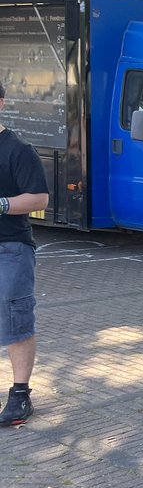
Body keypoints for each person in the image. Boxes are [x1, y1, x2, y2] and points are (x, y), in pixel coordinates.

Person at [0, 80, 50, 427]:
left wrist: (0, 204)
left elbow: (39, 200)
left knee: (16, 320)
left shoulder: (17, 150)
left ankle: (20, 395)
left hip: (11, 249)